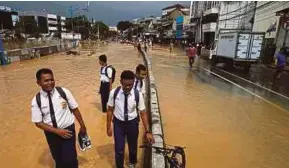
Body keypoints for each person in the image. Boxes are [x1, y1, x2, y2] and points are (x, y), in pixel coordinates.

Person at [31, 68, 88, 168]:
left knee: (70, 159)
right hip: (51, 134)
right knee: (58, 159)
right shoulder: (36, 101)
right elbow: (38, 123)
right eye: (46, 80)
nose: (50, 83)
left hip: (68, 131)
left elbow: (75, 109)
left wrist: (83, 126)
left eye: (51, 79)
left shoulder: (63, 92)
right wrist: (57, 131)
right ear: (38, 83)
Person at [106, 70, 155, 168]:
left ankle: (132, 163)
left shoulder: (137, 95)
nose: (128, 87)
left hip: (132, 124)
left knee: (133, 147)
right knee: (119, 149)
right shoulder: (114, 93)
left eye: (130, 85)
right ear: (120, 82)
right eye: (125, 85)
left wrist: (148, 131)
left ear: (133, 82)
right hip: (118, 124)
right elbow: (110, 110)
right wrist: (108, 127)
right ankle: (119, 166)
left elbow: (143, 113)